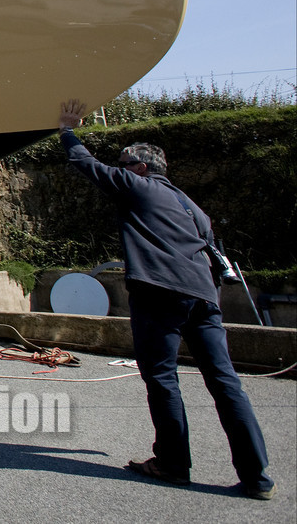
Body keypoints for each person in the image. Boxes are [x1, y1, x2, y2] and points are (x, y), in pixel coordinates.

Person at [57, 99, 273, 499]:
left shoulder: (140, 188)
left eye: (124, 164)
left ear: (140, 168)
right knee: (226, 384)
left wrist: (67, 130)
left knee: (162, 378)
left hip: (159, 293)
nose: (121, 170)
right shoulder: (193, 208)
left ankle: (173, 464)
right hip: (205, 300)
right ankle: (257, 477)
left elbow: (88, 166)